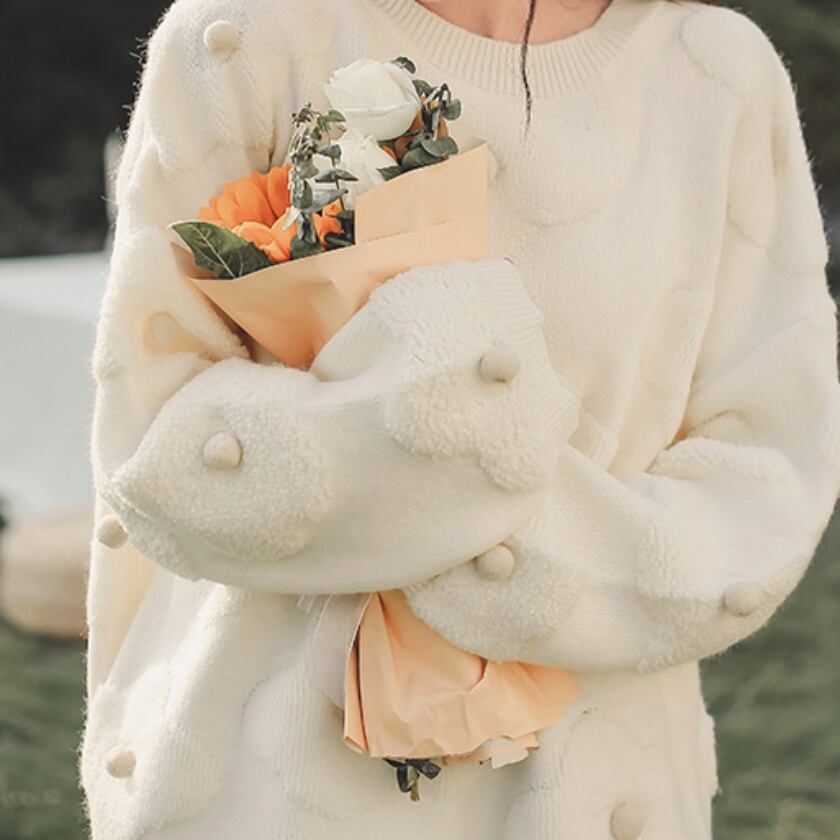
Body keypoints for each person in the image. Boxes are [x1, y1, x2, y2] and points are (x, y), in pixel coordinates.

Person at [79, 0, 840, 837]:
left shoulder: (719, 71)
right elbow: (156, 439)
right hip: (270, 781)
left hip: (592, 789)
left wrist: (494, 547)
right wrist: (445, 461)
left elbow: (766, 474)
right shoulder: (244, 34)